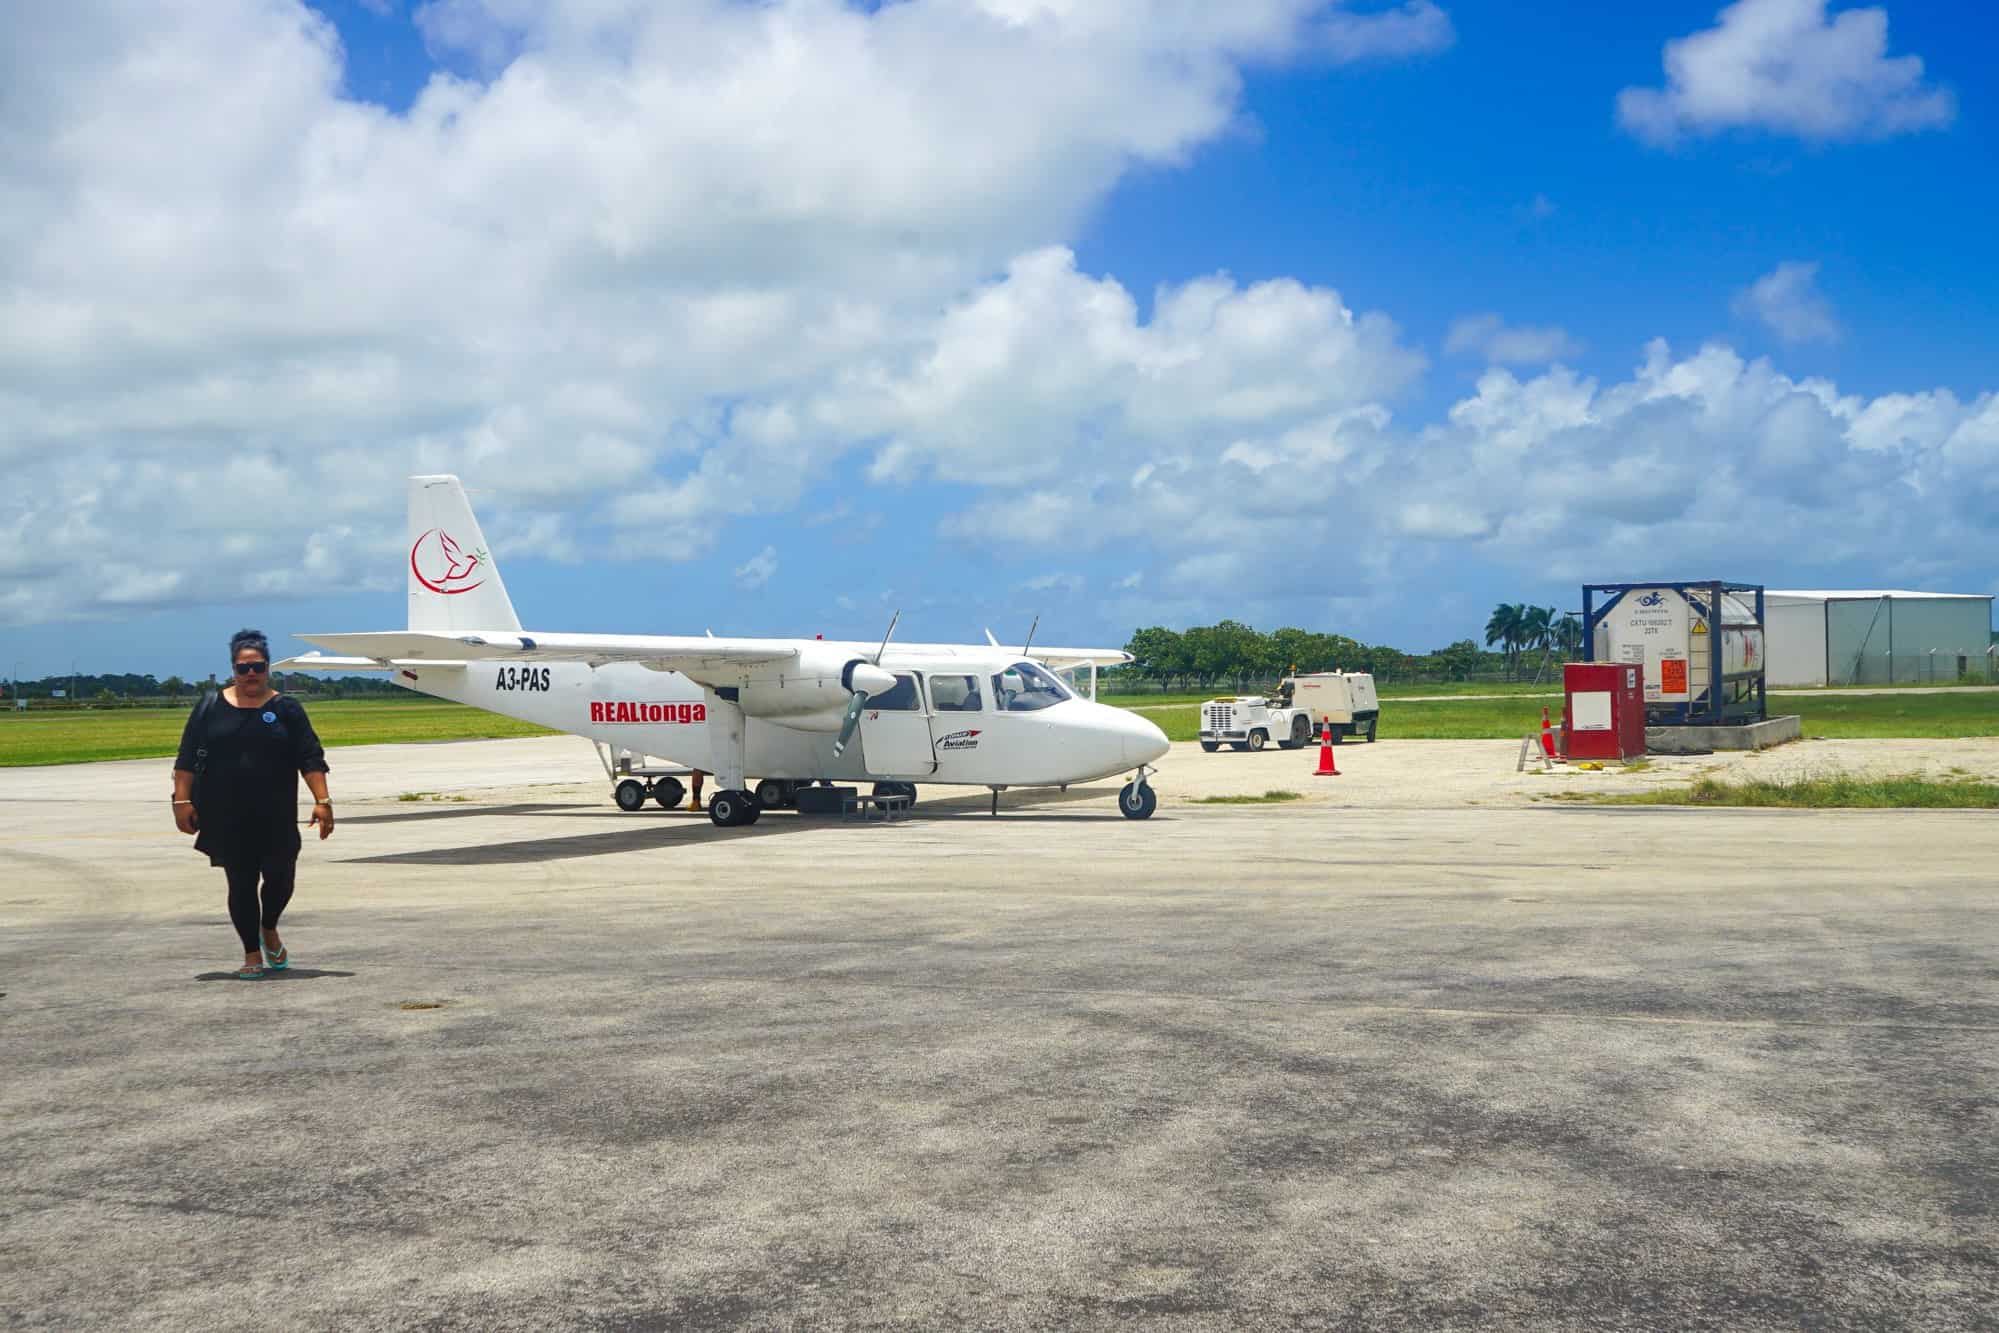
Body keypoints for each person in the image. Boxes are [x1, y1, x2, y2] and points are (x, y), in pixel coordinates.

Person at [172, 629, 333, 979]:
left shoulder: (286, 708)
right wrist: (181, 800)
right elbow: (186, 758)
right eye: (243, 668)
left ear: (267, 667)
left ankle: (269, 927)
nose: (250, 675)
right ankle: (250, 953)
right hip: (226, 811)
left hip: (275, 812)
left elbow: (310, 757)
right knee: (241, 882)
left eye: (257, 667)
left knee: (280, 878)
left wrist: (323, 801)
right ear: (233, 669)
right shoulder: (210, 707)